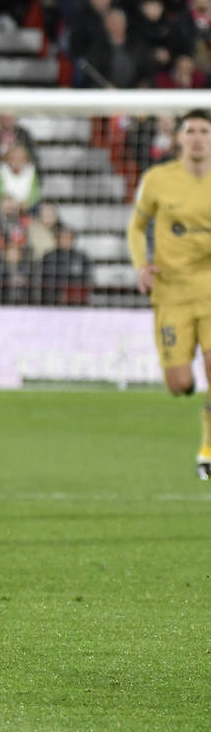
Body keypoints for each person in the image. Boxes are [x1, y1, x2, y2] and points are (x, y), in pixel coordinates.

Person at [127, 110, 211, 480]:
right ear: (178, 138)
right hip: (171, 294)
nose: (197, 138)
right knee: (179, 384)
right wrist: (140, 266)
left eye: (204, 131)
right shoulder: (158, 179)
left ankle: (206, 451)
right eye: (190, 131)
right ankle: (189, 387)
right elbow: (136, 226)